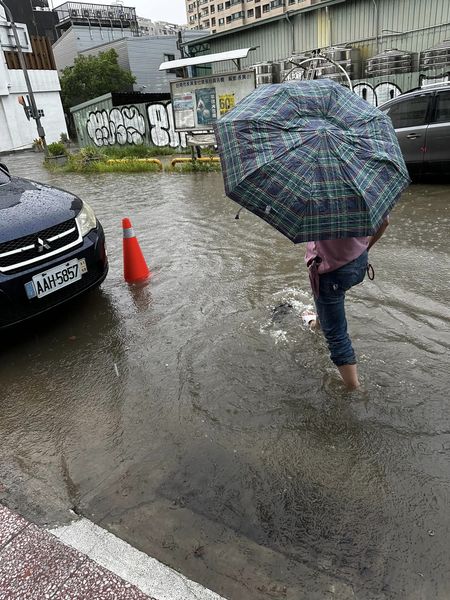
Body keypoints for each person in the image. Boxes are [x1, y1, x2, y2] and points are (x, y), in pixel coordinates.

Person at [303, 218, 389, 390]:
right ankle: (317, 324)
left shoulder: (316, 201)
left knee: (336, 335)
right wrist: (365, 248)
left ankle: (354, 387)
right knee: (328, 303)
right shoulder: (362, 193)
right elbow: (384, 222)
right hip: (358, 263)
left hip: (331, 271)